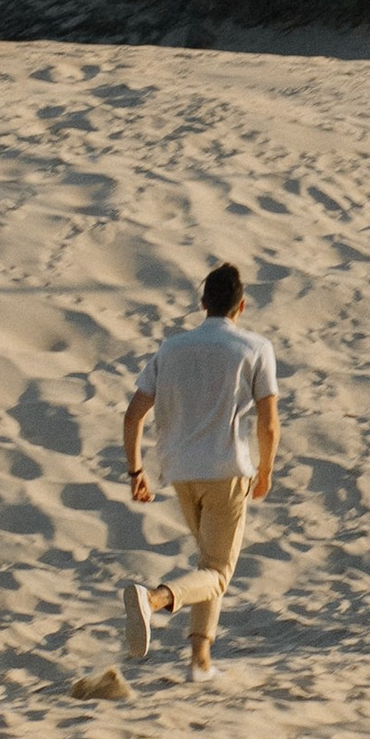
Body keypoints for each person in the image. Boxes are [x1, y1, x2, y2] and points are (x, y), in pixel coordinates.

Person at [122, 261, 278, 678]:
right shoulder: (255, 347)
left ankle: (199, 661)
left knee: (209, 562)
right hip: (228, 470)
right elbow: (268, 422)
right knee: (217, 574)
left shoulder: (170, 349)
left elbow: (134, 414)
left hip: (180, 472)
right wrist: (266, 470)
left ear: (203, 302)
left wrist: (137, 472)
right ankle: (154, 599)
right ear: (241, 306)